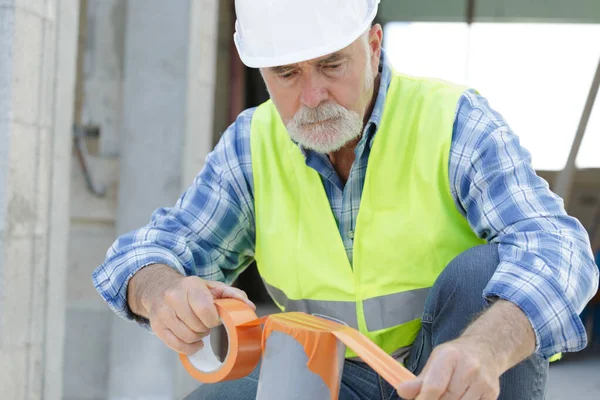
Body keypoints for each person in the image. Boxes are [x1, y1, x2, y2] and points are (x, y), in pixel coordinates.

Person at [92, 0, 599, 399]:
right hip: (329, 375)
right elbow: (141, 255)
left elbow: (560, 248)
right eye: (286, 74)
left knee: (485, 271)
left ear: (373, 44)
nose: (312, 97)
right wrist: (160, 292)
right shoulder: (252, 145)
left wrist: (485, 348)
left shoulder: (453, 122)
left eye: (332, 64)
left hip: (456, 373)